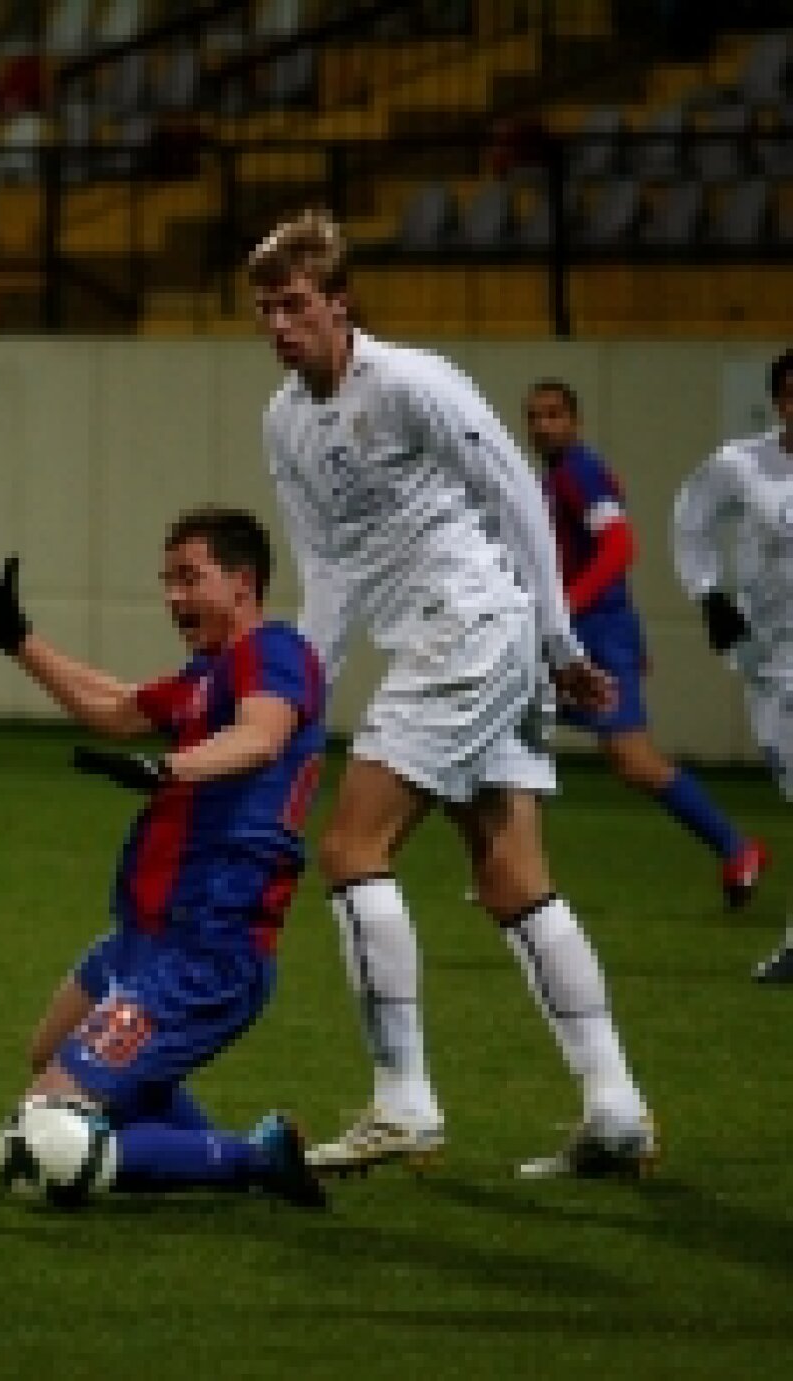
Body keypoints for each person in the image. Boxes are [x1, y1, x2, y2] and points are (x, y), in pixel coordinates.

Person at [246, 208, 656, 1179]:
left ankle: (404, 1102)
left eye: (296, 304)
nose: (278, 324)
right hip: (452, 640)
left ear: (340, 304)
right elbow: (330, 568)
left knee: (350, 849)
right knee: (512, 877)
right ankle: (616, 1107)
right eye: (265, 308)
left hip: (471, 629)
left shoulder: (413, 383)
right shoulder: (284, 421)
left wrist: (558, 637)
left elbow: (516, 493)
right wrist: (302, 689)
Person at [0, 507, 330, 1204]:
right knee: (50, 1055)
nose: (174, 596)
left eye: (190, 577)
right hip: (143, 938)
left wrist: (170, 769)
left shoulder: (274, 653)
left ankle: (252, 1157)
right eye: (166, 580)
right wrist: (15, 636)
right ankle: (244, 1155)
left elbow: (261, 737)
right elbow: (114, 705)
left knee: (53, 1123)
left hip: (206, 947)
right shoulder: (209, 673)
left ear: (243, 582)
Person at [525, 378, 766, 906]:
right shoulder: (562, 475)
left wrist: (570, 613)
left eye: (554, 415)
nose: (543, 425)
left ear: (575, 421)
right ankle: (519, 871)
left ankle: (736, 847)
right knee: (516, 735)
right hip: (592, 632)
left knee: (632, 761)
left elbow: (619, 547)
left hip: (593, 637)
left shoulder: (579, 474)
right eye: (535, 416)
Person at [673, 347, 793, 983]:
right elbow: (691, 522)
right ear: (779, 402)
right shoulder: (742, 465)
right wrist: (709, 594)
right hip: (768, 660)